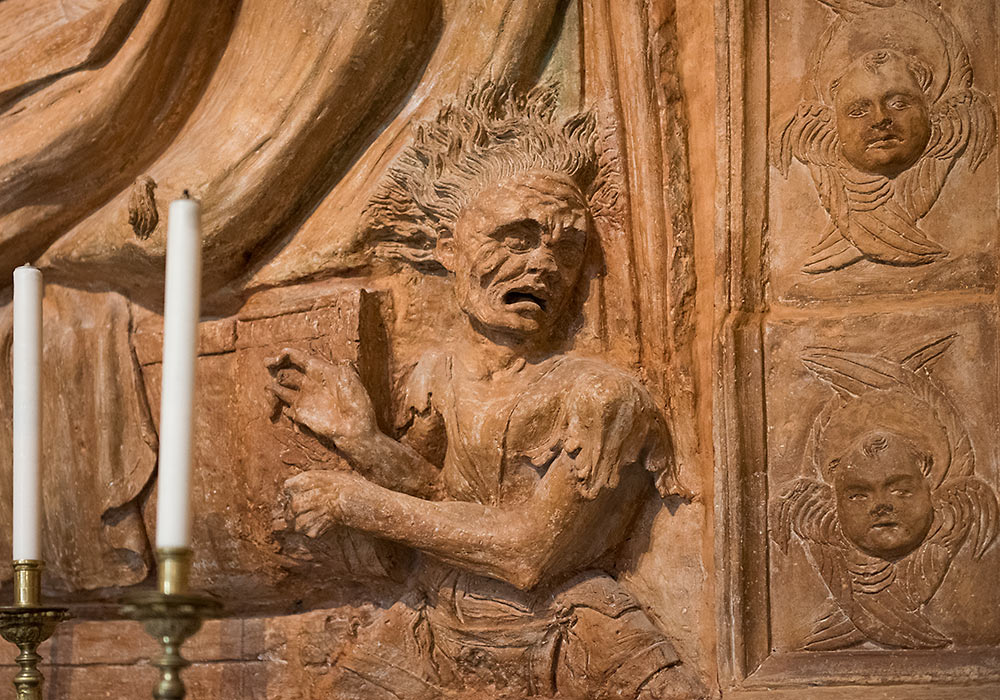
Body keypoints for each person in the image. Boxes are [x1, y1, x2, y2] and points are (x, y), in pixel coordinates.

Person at [265, 82, 702, 699]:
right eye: (516, 237)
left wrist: (354, 501)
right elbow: (444, 499)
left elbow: (527, 551)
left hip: (572, 639)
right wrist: (360, 438)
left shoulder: (601, 397)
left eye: (566, 246)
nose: (544, 264)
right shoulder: (436, 378)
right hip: (436, 627)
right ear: (449, 250)